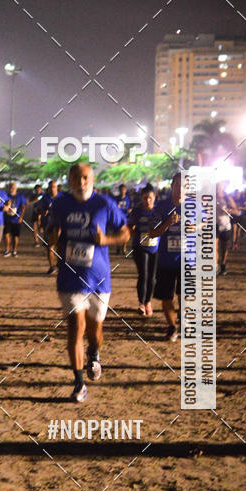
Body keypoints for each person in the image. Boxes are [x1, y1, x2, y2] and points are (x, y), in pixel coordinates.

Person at [48, 163, 130, 402]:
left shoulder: (104, 204)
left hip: (99, 279)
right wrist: (53, 237)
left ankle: (94, 353)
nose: (80, 182)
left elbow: (126, 232)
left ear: (92, 179)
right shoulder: (60, 203)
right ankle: (78, 384)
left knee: (95, 332)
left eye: (85, 178)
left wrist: (107, 239)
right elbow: (52, 233)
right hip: (70, 277)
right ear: (69, 180)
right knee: (75, 327)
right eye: (75, 178)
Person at [151, 172, 182, 341]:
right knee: (166, 297)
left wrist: (197, 227)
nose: (180, 189)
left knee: (186, 296)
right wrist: (168, 223)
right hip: (166, 261)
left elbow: (205, 222)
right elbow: (152, 233)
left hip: (188, 260)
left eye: (184, 185)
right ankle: (172, 327)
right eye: (177, 185)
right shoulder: (162, 207)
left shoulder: (195, 206)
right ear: (172, 186)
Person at [127, 183, 160, 316]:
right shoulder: (137, 211)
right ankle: (141, 303)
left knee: (152, 277)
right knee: (143, 275)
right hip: (140, 247)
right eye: (145, 198)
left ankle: (148, 302)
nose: (147, 200)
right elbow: (130, 226)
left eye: (150, 198)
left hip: (156, 248)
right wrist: (133, 232)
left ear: (155, 197)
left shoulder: (158, 210)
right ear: (141, 197)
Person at [37, 180, 60, 274]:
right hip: (49, 225)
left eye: (54, 187)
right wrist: (42, 212)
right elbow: (38, 209)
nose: (52, 189)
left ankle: (59, 264)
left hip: (61, 226)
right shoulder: (45, 199)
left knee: (60, 247)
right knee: (50, 246)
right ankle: (51, 266)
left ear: (57, 187)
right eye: (50, 187)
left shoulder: (62, 198)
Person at [216, 185, 239, 275]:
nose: (217, 190)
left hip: (226, 226)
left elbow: (236, 211)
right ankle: (215, 266)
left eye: (219, 188)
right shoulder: (211, 197)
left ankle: (223, 264)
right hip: (215, 225)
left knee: (224, 248)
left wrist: (227, 210)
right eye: (216, 188)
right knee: (214, 246)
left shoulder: (227, 198)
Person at [3, 181, 26, 257]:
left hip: (16, 219)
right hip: (7, 219)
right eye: (10, 187)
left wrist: (21, 217)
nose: (12, 189)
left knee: (15, 236)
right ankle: (7, 250)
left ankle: (14, 250)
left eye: (13, 187)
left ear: (16, 188)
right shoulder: (5, 196)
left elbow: (23, 207)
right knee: (6, 234)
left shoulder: (20, 196)